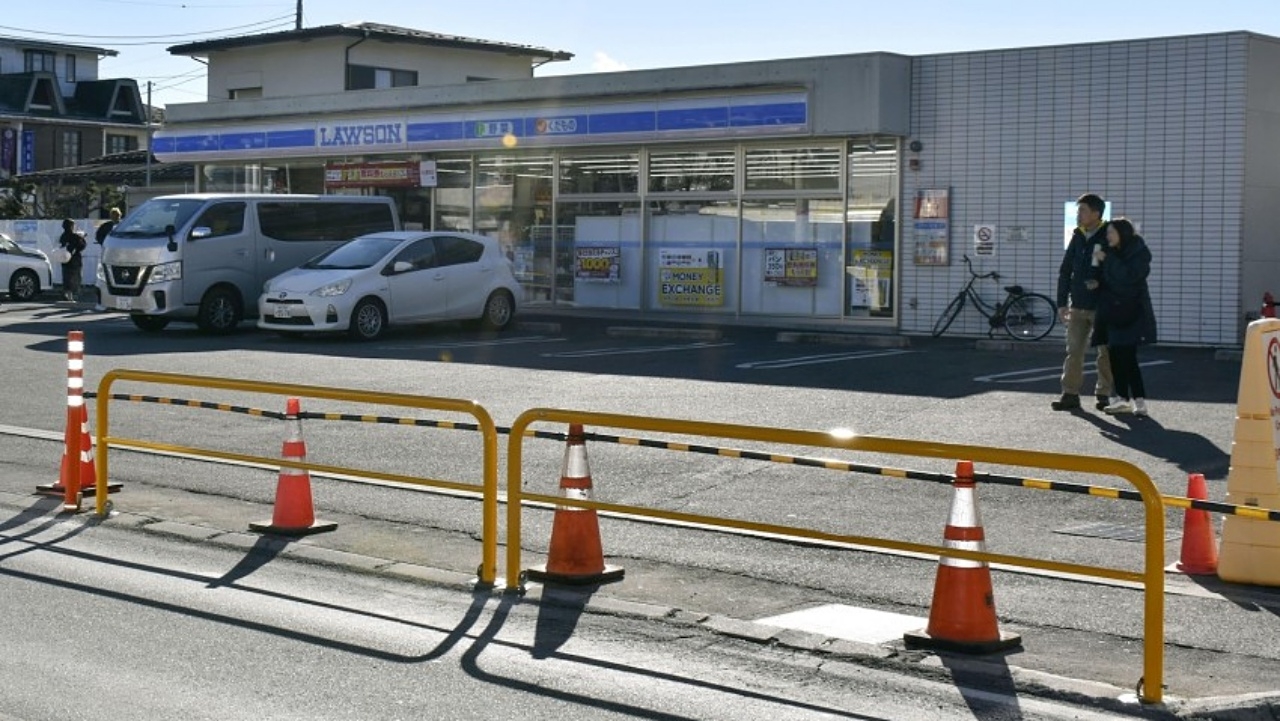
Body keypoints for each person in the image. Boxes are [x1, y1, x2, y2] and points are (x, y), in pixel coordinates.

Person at [1052, 193, 1115, 411]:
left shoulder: (1109, 236)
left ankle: (1104, 394)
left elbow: (1117, 270)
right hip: (1078, 304)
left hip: (1103, 306)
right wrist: (1062, 303)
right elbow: (1065, 270)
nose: (1078, 214)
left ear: (1096, 213)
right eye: (1078, 211)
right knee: (1074, 351)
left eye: (1083, 210)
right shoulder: (1078, 236)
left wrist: (1101, 283)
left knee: (1105, 352)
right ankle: (1070, 394)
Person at [1091, 217, 1156, 416]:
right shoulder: (1109, 252)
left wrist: (1107, 260)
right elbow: (1107, 278)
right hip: (1112, 310)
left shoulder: (1138, 252)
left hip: (1130, 311)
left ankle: (1137, 400)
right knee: (1115, 355)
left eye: (1111, 232)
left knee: (1127, 356)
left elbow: (1129, 278)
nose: (1108, 236)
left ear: (1122, 233)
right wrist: (1095, 280)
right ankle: (1123, 398)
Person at [58, 218, 87, 302]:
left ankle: (66, 292)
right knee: (75, 277)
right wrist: (82, 238)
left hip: (65, 259)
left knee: (66, 277)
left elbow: (61, 246)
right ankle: (73, 295)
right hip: (75, 260)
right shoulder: (75, 236)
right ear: (71, 226)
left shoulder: (63, 236)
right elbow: (82, 246)